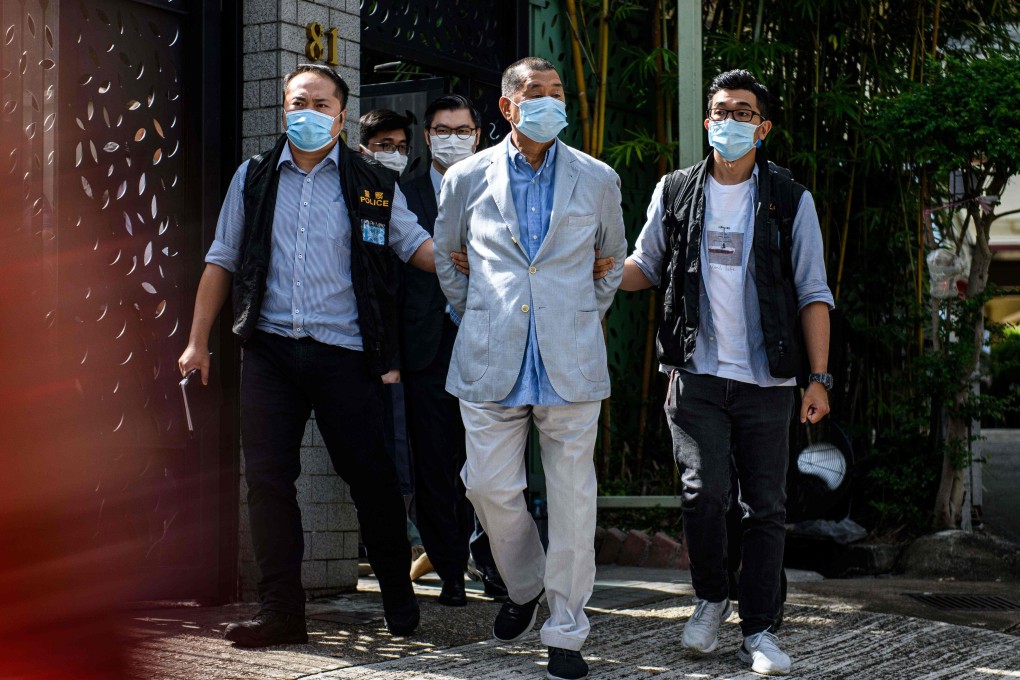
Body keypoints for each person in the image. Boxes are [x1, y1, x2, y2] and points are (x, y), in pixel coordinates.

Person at [177, 64, 439, 647]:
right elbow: (222, 257)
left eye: (323, 105)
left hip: (345, 353)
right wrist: (198, 340)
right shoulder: (254, 176)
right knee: (268, 480)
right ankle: (281, 612)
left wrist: (472, 256)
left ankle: (397, 593)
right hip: (269, 352)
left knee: (370, 478)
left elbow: (415, 246)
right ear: (283, 108)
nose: (310, 113)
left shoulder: (372, 182)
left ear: (342, 116)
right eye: (300, 102)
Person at [619, 69, 834, 676]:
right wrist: (592, 266)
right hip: (697, 373)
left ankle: (760, 630)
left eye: (743, 111)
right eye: (720, 110)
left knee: (764, 506)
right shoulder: (676, 190)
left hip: (769, 379)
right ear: (707, 121)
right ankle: (712, 598)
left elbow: (813, 291)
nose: (729, 120)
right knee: (705, 492)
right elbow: (644, 265)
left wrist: (818, 378)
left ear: (762, 128)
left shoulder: (790, 198)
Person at [433, 57, 626, 680]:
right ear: (507, 106)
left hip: (569, 357)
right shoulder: (465, 176)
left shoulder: (597, 178)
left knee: (574, 499)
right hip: (491, 354)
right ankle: (524, 585)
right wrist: (483, 313)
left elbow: (610, 261)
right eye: (534, 93)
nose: (549, 101)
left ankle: (566, 629)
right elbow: (449, 259)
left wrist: (575, 313)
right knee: (486, 486)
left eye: (557, 92)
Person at [398, 94, 509, 607]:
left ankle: (494, 566)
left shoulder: (501, 189)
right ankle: (448, 573)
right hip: (425, 350)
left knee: (490, 464)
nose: (452, 138)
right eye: (442, 130)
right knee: (435, 464)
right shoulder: (402, 191)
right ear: (427, 136)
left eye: (462, 130)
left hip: (488, 344)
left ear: (479, 134)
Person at [357, 108, 430, 580]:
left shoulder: (401, 198)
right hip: (363, 346)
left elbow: (415, 260)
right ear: (363, 145)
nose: (395, 155)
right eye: (385, 145)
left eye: (402, 147)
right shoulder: (358, 190)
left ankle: (418, 549)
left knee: (408, 455)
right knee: (380, 456)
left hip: (406, 349)